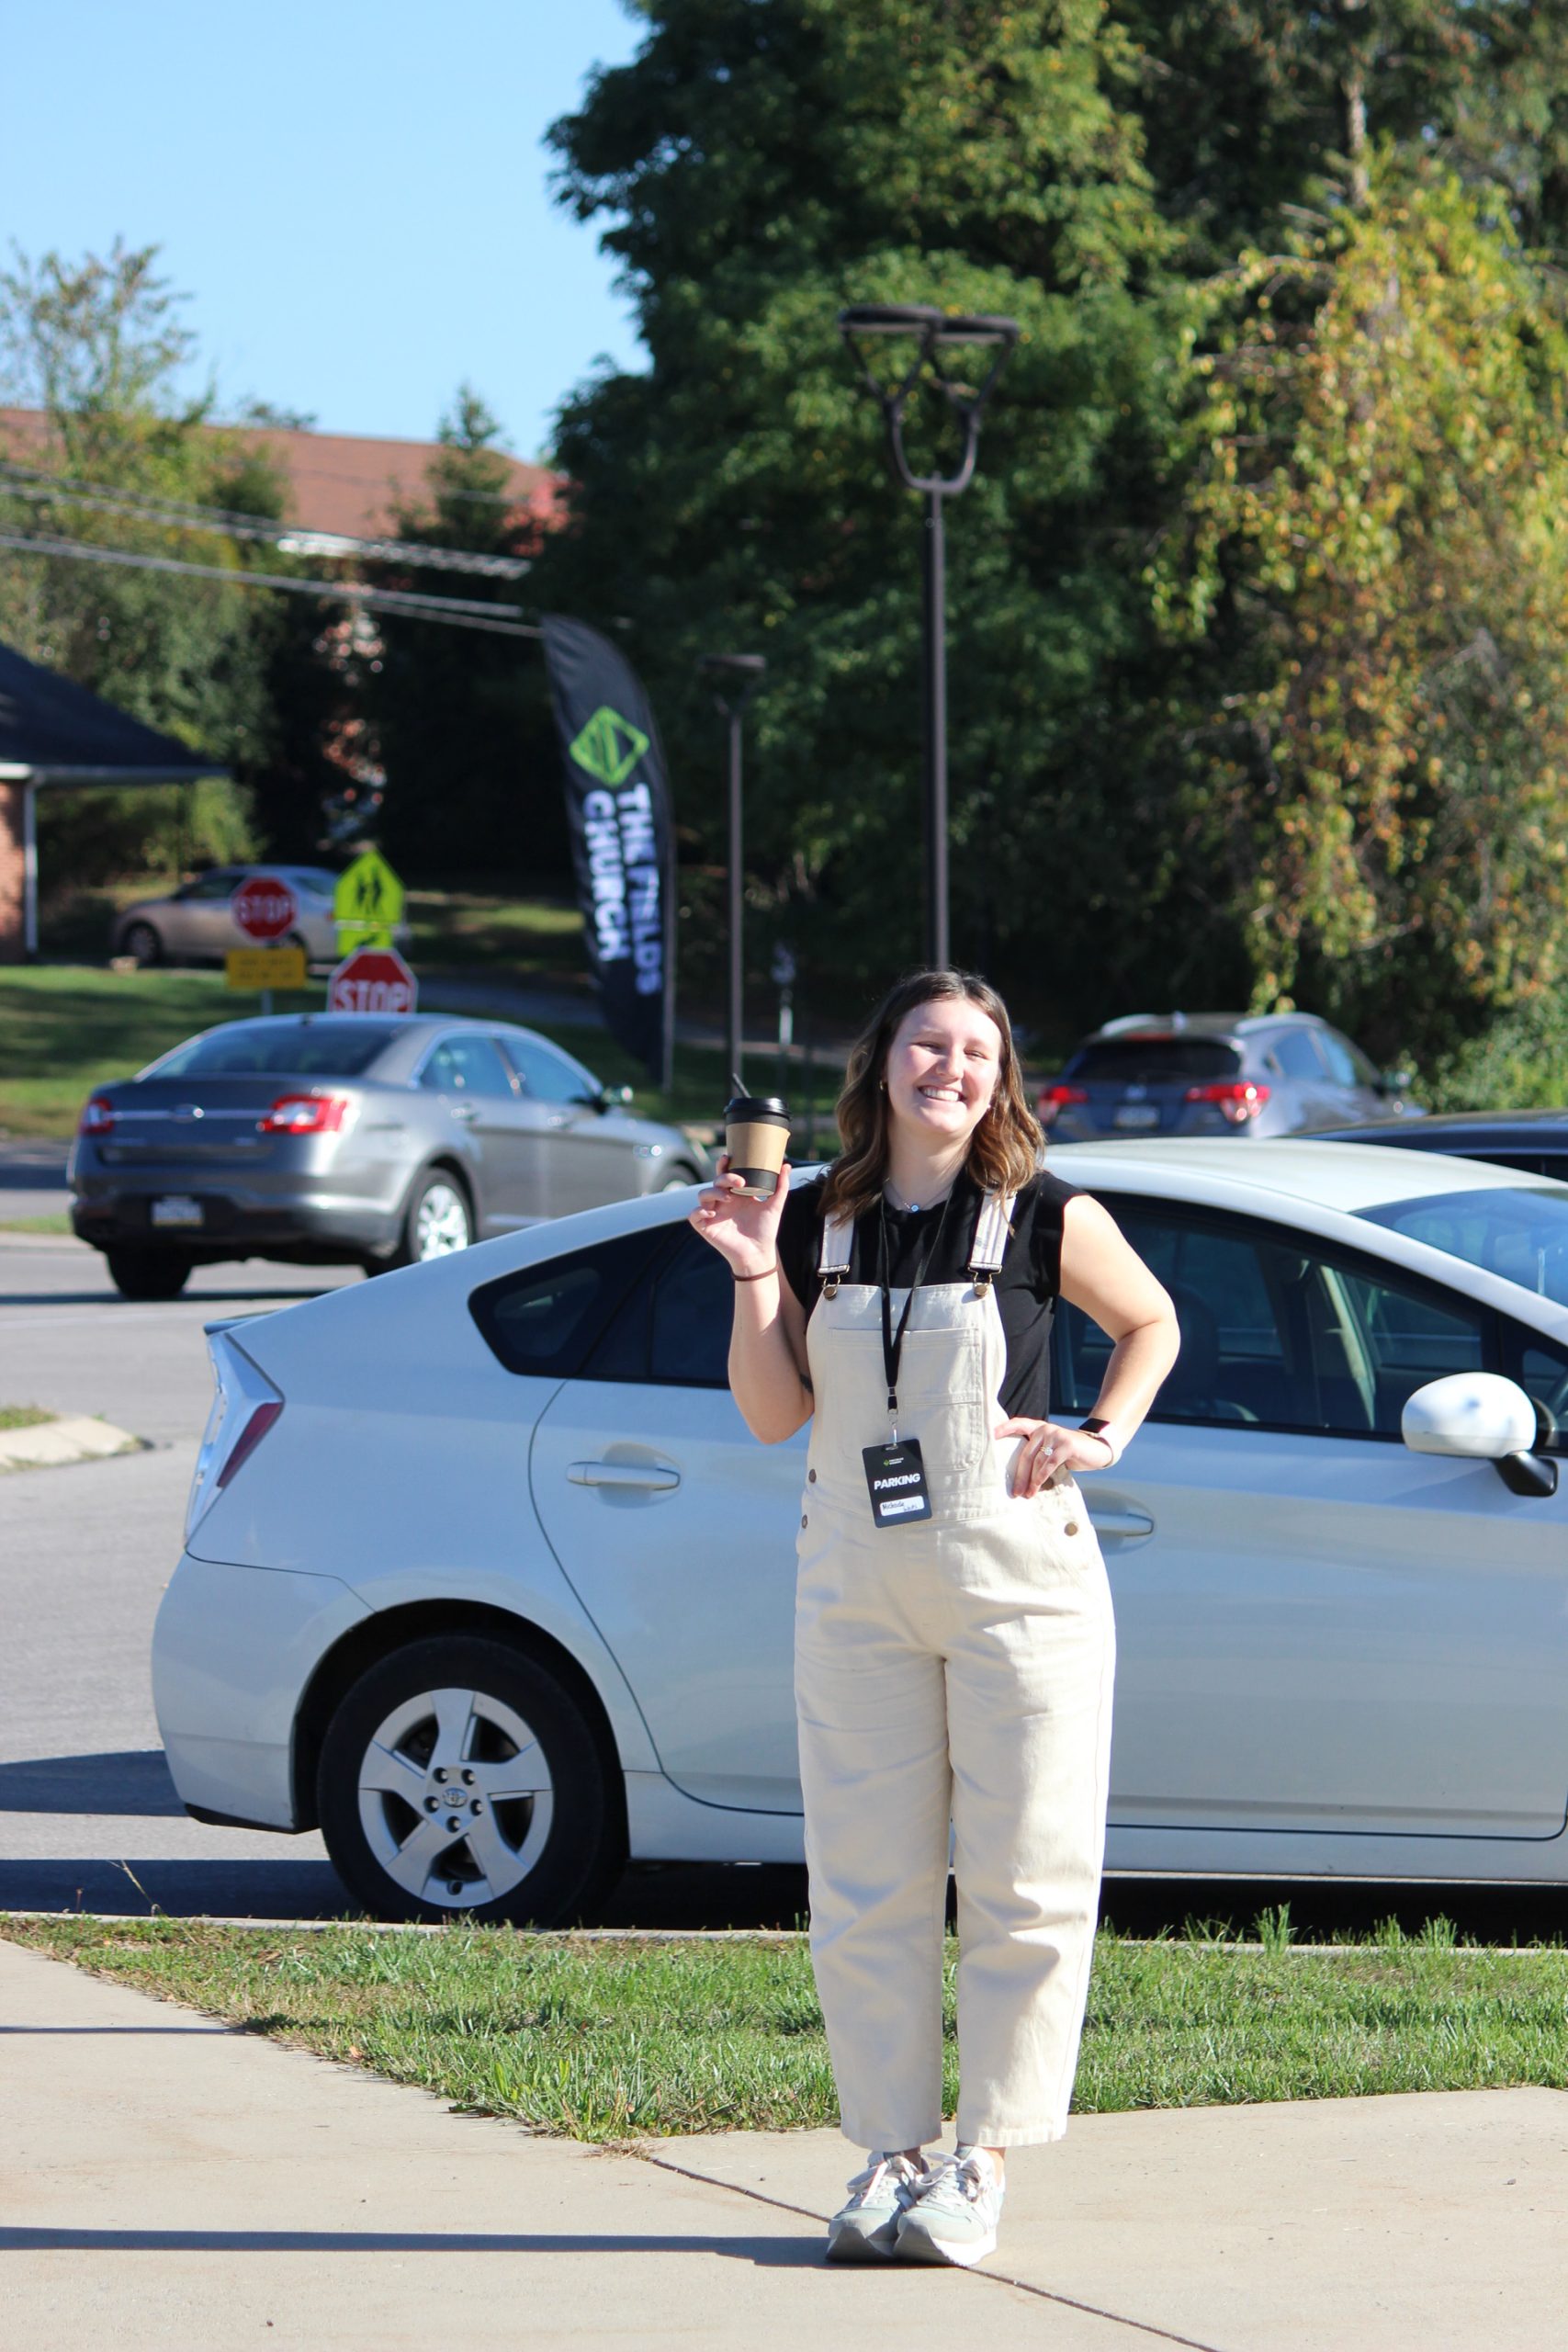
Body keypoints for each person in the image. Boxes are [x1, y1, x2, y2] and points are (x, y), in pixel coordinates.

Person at [690, 967, 1179, 2268]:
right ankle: (890, 2154)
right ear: (884, 1062)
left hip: (1023, 1584)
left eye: (977, 1049)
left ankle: (982, 2160)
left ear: (1000, 1073)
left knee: (1023, 1879)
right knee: (865, 1888)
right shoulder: (822, 1218)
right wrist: (751, 1268)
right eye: (927, 1043)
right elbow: (773, 1413)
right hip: (855, 1589)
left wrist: (1100, 1434)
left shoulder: (1044, 1214)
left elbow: (1151, 1322)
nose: (950, 1068)